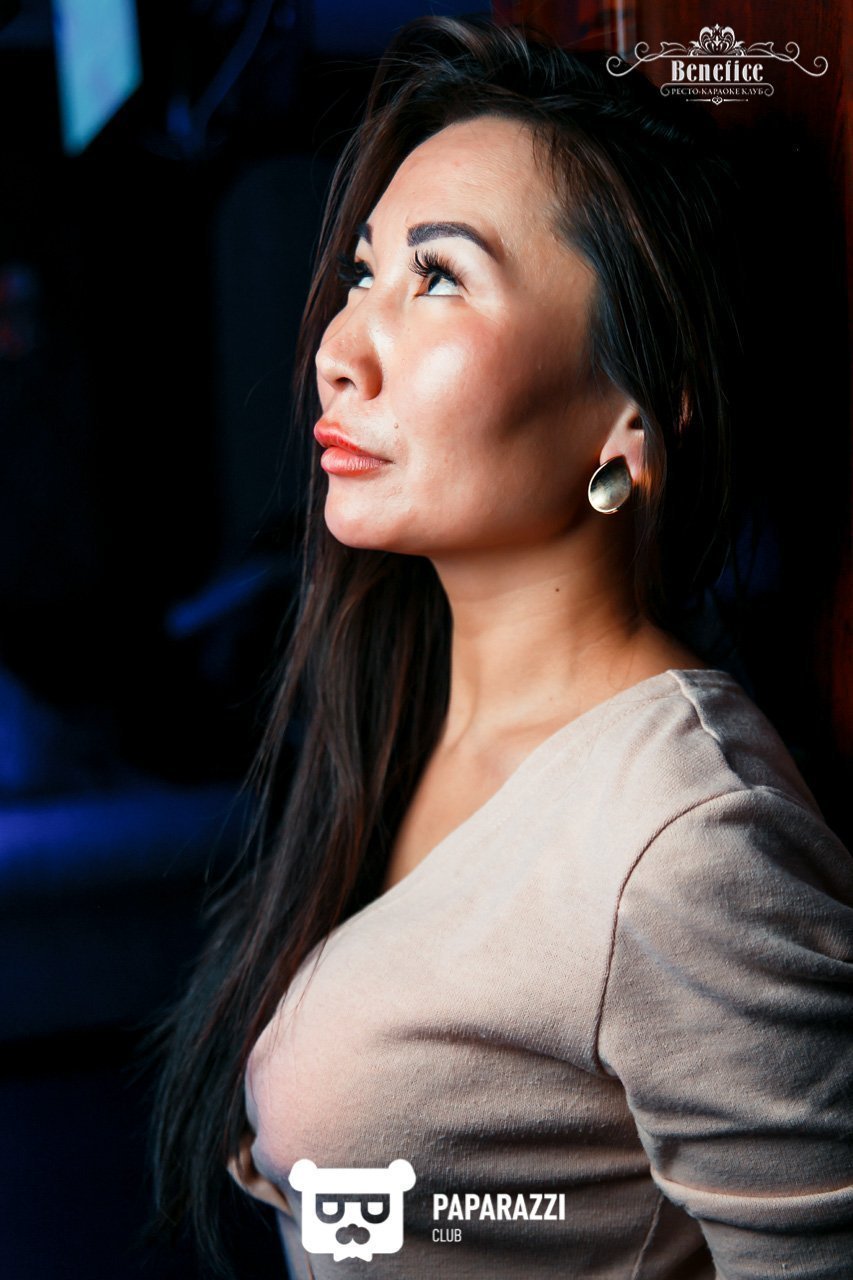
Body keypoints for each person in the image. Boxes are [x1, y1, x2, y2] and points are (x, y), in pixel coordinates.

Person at [147, 15, 853, 1279]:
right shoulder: (402, 713)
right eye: (364, 273)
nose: (338, 351)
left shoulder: (684, 839)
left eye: (438, 278)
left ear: (631, 416)